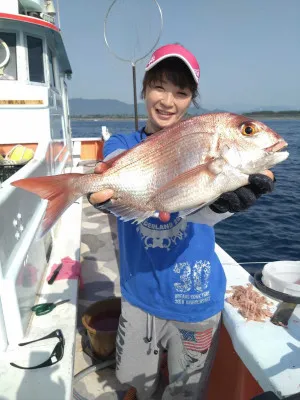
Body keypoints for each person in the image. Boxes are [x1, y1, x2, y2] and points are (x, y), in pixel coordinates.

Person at [88, 43, 274, 399]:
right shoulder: (122, 143)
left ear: (191, 99)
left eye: (181, 92)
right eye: (159, 86)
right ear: (144, 89)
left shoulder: (205, 142)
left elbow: (198, 214)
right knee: (135, 382)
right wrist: (106, 190)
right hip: (139, 294)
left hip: (196, 298)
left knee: (185, 393)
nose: (168, 101)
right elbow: (112, 164)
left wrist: (224, 206)